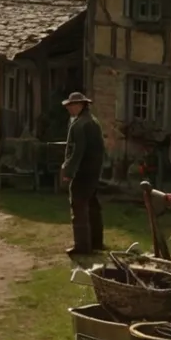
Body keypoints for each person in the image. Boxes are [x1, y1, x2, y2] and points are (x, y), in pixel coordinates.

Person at [60, 92, 105, 256]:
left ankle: (82, 246)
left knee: (78, 208)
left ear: (80, 105)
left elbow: (77, 151)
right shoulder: (93, 122)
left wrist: (69, 172)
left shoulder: (80, 125)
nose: (69, 109)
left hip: (83, 172)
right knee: (92, 206)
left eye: (72, 106)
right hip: (93, 171)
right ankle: (96, 242)